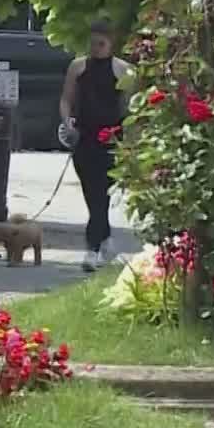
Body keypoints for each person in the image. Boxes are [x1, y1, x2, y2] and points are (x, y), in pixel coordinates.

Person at [61, 20, 131, 271]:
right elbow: (66, 99)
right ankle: (106, 240)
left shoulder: (123, 71)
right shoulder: (78, 67)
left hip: (111, 138)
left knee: (102, 192)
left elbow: (128, 107)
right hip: (84, 136)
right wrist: (67, 123)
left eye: (100, 44)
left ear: (111, 43)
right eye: (92, 43)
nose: (96, 48)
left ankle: (92, 249)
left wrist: (129, 139)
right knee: (91, 192)